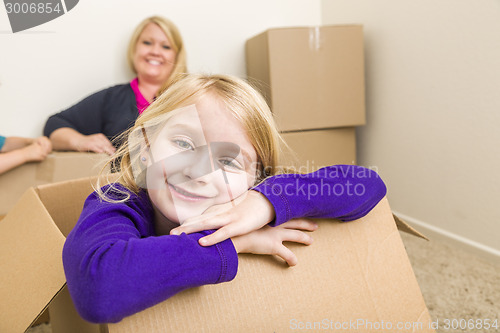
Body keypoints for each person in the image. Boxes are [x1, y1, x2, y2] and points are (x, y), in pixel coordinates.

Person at [62, 74, 387, 323]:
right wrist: (234, 242)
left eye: (229, 161)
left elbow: (367, 183)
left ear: (254, 178)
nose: (198, 171)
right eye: (184, 144)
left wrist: (264, 202)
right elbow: (98, 290)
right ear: (145, 148)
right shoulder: (114, 200)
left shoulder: (257, 196)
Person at [43, 16, 187, 155]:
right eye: (147, 43)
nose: (155, 51)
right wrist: (80, 141)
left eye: (166, 46)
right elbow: (54, 125)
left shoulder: (189, 98)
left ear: (177, 55)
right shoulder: (111, 99)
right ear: (135, 49)